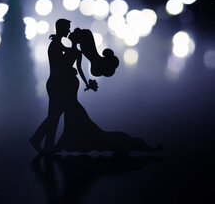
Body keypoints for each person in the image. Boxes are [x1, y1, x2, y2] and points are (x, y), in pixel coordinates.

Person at [55, 28, 162, 154]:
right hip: (69, 84)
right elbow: (75, 64)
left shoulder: (79, 51)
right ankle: (63, 142)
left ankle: (63, 142)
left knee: (73, 114)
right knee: (74, 114)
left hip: (71, 85)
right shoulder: (80, 50)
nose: (70, 33)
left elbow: (77, 65)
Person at [30, 18, 71, 152]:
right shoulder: (56, 45)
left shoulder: (57, 44)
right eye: (67, 28)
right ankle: (38, 139)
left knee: (55, 114)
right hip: (56, 83)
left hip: (56, 83)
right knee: (55, 114)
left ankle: (48, 144)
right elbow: (61, 65)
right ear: (61, 29)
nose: (69, 31)